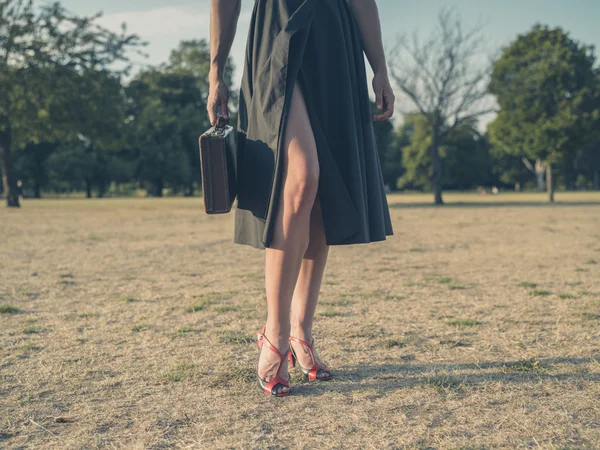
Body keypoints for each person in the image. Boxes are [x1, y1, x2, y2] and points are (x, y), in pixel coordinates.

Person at [207, 0, 395, 397]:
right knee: (302, 177)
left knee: (325, 191)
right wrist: (215, 69)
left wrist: (379, 67)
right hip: (275, 34)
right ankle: (274, 332)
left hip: (336, 44)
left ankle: (301, 332)